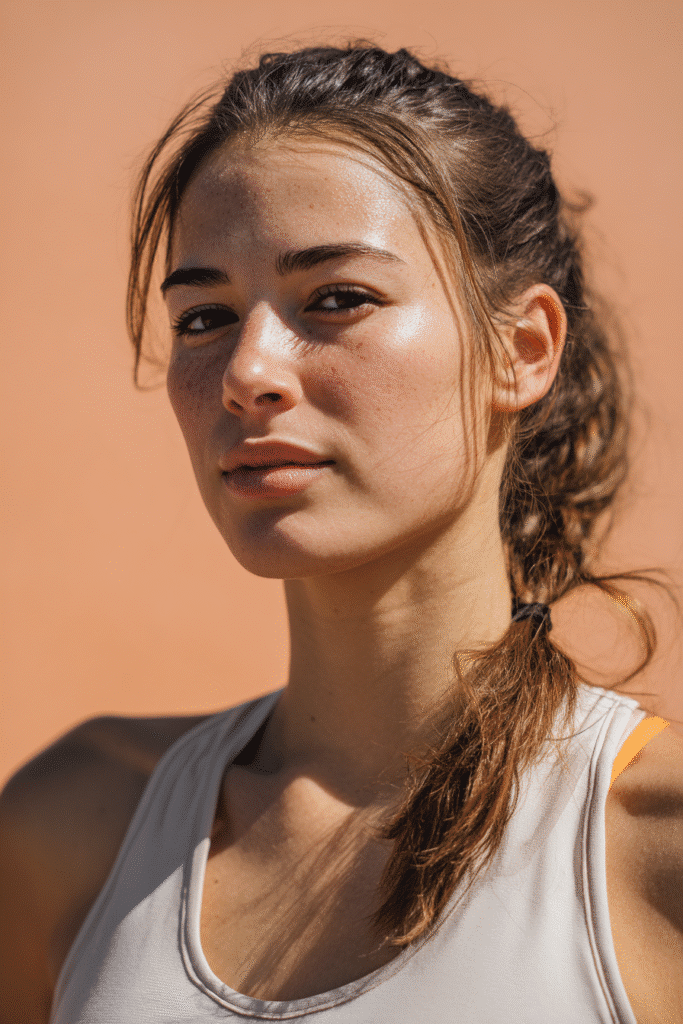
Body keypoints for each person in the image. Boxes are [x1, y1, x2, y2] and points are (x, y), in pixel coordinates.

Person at [1, 40, 681, 1024]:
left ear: (521, 350)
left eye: (336, 299)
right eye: (204, 316)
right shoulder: (71, 829)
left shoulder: (650, 851)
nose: (247, 371)